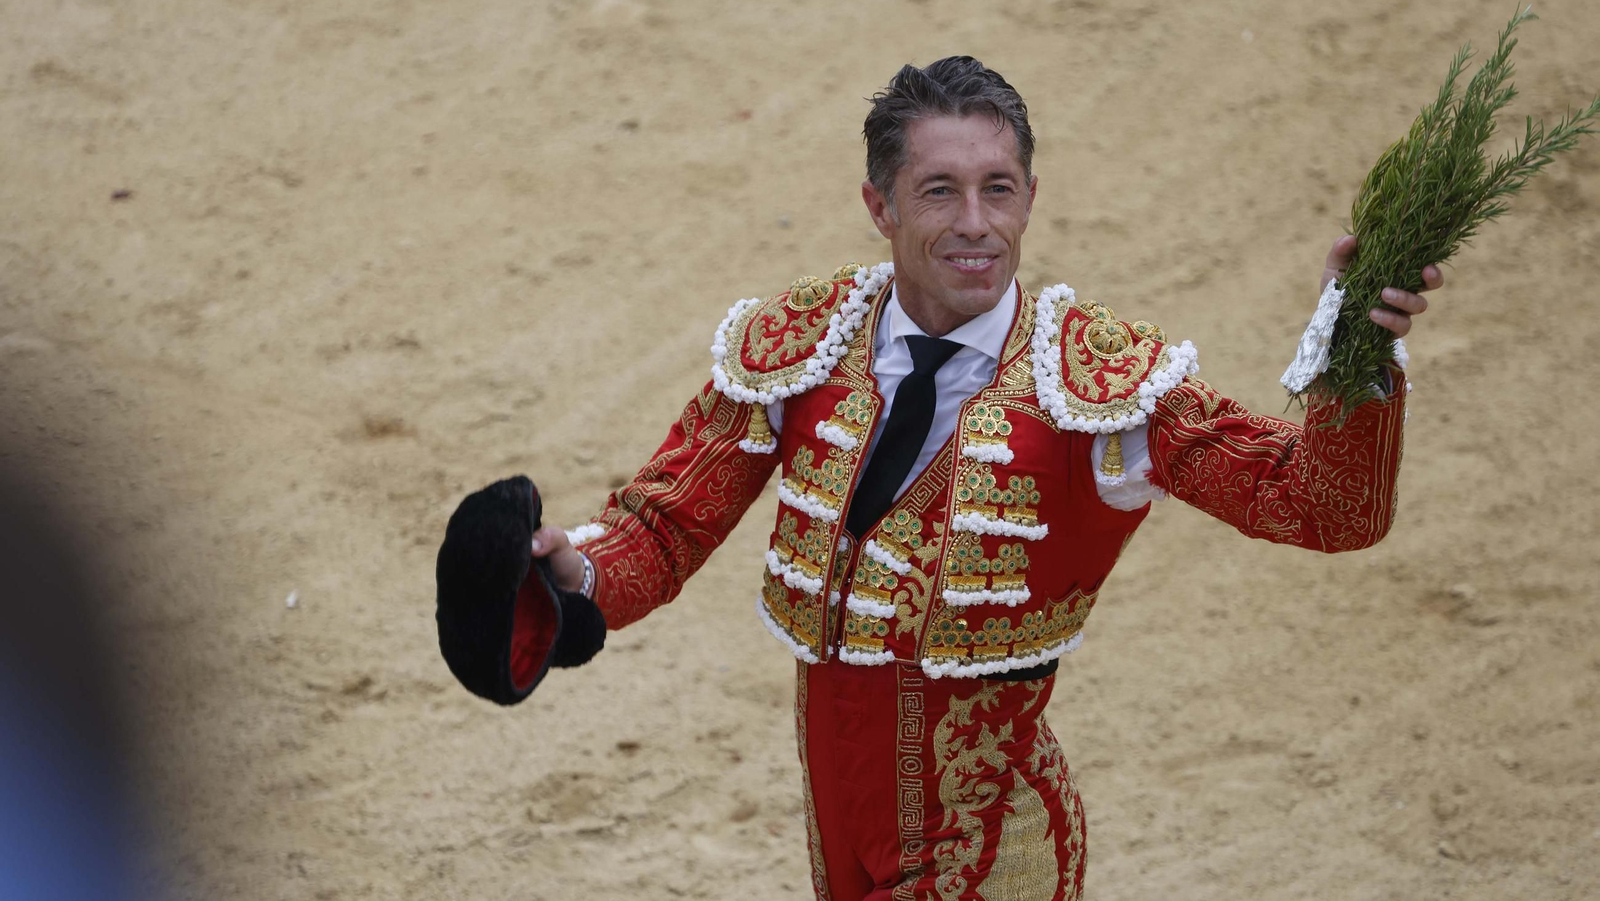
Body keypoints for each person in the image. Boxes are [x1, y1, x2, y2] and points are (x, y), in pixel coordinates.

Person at [444, 56, 1441, 900]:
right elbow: (663, 527)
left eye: (998, 189)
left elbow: (1324, 506)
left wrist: (1355, 351)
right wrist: (569, 569)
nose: (975, 223)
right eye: (939, 191)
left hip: (991, 848)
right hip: (841, 838)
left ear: (1030, 198)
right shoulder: (802, 343)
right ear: (878, 204)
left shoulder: (1094, 380)